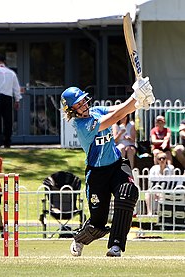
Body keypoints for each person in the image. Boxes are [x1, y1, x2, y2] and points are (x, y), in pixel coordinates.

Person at [61, 77, 155, 257]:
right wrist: (136, 97)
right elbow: (116, 117)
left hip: (116, 165)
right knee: (98, 222)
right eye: (79, 104)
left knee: (128, 192)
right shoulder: (82, 125)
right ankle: (80, 239)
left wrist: (139, 101)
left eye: (83, 101)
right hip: (97, 174)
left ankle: (116, 245)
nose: (84, 105)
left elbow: (119, 110)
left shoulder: (96, 111)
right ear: (72, 110)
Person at [145, 151, 174, 216]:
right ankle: (149, 212)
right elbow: (150, 182)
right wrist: (156, 192)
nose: (162, 160)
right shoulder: (153, 168)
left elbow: (172, 183)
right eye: (160, 159)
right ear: (157, 160)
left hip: (168, 190)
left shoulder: (171, 168)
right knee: (148, 193)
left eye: (163, 158)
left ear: (166, 159)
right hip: (155, 190)